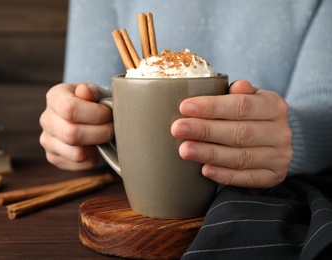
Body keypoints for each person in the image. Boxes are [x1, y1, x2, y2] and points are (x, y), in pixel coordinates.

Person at [40, 0, 332, 258]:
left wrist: (287, 133)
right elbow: (90, 88)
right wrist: (77, 119)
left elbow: (324, 105)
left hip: (270, 205)